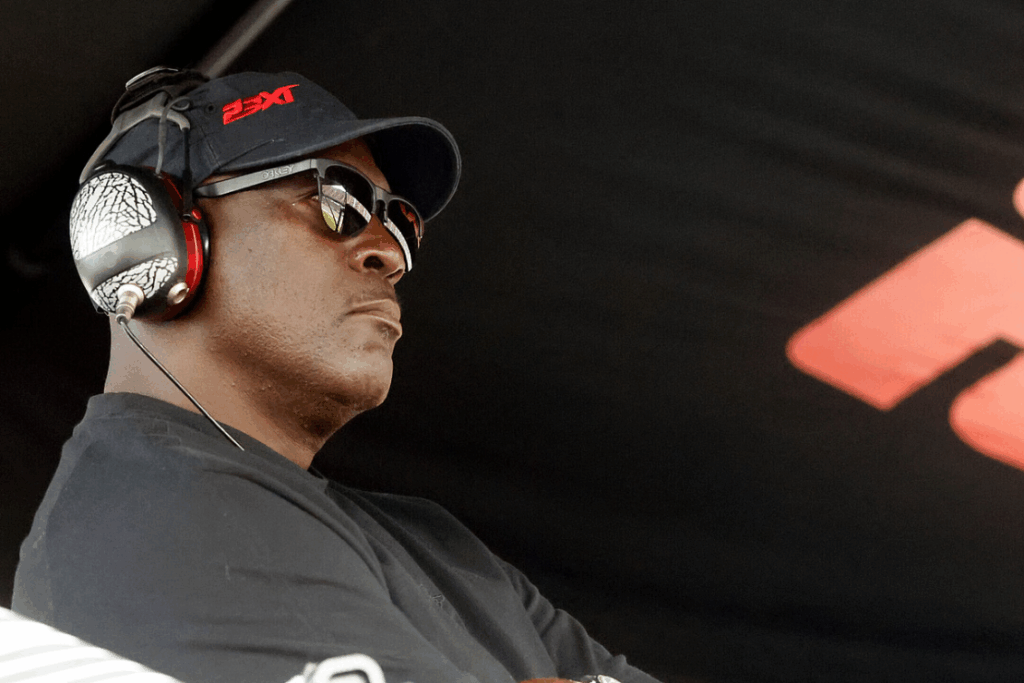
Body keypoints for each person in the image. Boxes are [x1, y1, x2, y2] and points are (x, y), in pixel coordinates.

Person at [12, 69, 661, 683]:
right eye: (337, 200)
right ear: (148, 242)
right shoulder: (148, 522)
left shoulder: (439, 543)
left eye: (398, 222)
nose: (389, 252)